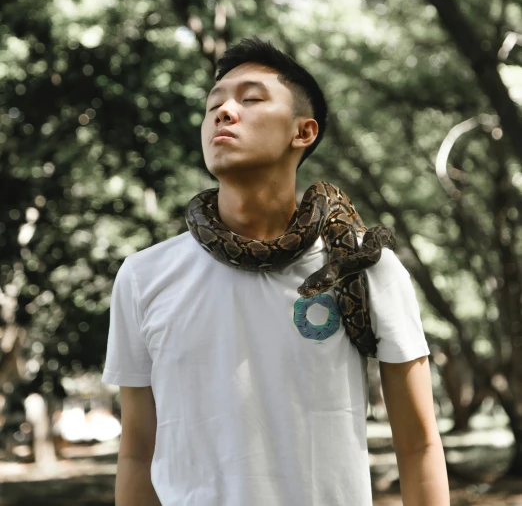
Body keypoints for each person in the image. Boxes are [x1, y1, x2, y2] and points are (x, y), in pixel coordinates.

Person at [101, 36, 450, 506]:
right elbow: (137, 453)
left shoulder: (366, 267)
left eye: (250, 98)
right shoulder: (144, 276)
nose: (224, 112)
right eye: (213, 106)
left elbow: (419, 444)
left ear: (303, 132)